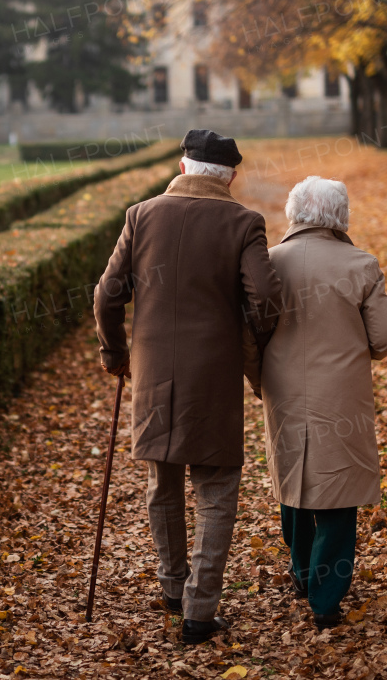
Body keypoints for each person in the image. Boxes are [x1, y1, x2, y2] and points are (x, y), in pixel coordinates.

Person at [94, 129, 282, 645]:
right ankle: (200, 610)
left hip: (154, 374)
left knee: (163, 482)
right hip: (215, 377)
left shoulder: (141, 215)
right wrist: (252, 339)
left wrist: (114, 352)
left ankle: (173, 588)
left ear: (182, 169)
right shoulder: (244, 222)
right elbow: (265, 295)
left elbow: (107, 295)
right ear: (231, 178)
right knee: (216, 489)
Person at [255, 176, 387, 631]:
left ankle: (301, 573)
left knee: (294, 476)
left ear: (294, 212)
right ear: (340, 216)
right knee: (338, 491)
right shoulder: (360, 264)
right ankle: (326, 599)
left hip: (282, 389)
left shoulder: (269, 263)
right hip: (340, 394)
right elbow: (385, 336)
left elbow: (250, 327)